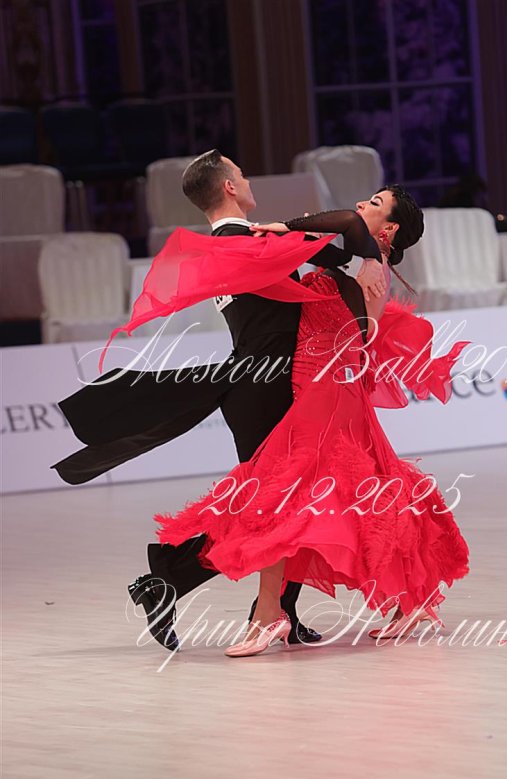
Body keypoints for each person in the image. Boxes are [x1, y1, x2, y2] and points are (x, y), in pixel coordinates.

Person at [53, 151, 387, 651]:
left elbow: (335, 251)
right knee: (278, 504)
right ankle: (177, 580)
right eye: (242, 174)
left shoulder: (239, 242)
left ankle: (263, 605)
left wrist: (344, 248)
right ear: (229, 187)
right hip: (266, 384)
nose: (248, 180)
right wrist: (363, 253)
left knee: (294, 500)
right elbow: (346, 237)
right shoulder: (242, 243)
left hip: (266, 380)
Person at [150, 188, 470, 657]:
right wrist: (292, 236)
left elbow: (343, 223)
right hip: (318, 380)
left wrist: (284, 226)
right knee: (364, 489)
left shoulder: (370, 263)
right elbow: (323, 243)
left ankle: (268, 616)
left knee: (285, 494)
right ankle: (411, 598)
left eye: (375, 203)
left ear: (389, 228)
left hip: (329, 385)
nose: (362, 205)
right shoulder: (355, 258)